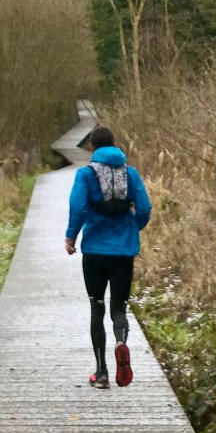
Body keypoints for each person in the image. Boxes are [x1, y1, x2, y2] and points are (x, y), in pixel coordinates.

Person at [64, 125, 152, 389]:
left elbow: (78, 207)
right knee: (118, 307)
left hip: (95, 251)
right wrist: (133, 227)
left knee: (97, 305)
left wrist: (71, 237)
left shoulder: (86, 174)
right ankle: (121, 341)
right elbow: (145, 207)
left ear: (92, 148)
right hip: (123, 250)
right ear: (115, 145)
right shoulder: (131, 173)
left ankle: (101, 373)